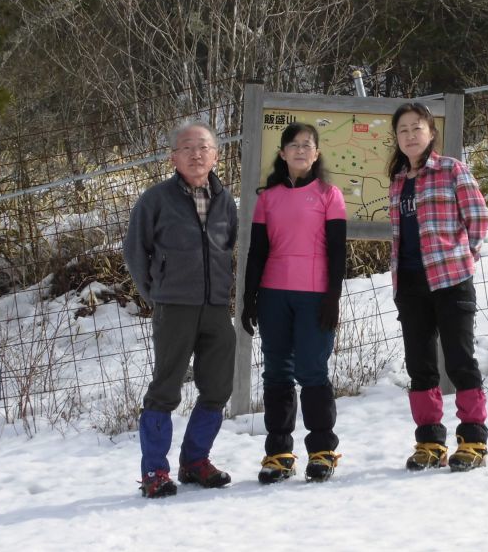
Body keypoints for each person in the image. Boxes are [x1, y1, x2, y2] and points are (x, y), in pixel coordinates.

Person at [124, 121, 239, 498]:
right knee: (165, 389)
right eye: (187, 148)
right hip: (175, 307)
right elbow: (135, 252)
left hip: (217, 307)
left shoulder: (225, 200)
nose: (196, 154)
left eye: (203, 147)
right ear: (173, 157)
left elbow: (230, 246)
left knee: (218, 387)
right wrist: (157, 293)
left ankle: (196, 462)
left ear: (216, 155)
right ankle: (155, 472)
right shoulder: (155, 199)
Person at [387, 101, 488, 472]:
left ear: (431, 133)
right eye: (403, 130)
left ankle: (473, 439)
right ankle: (430, 440)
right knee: (421, 365)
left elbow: (478, 217)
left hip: (451, 281)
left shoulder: (451, 169)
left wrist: (465, 259)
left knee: (461, 360)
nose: (410, 135)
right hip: (411, 285)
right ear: (396, 139)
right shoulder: (398, 181)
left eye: (417, 128)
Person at [241, 122, 347, 484]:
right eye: (294, 145)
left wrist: (333, 297)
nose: (301, 150)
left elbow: (337, 252)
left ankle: (322, 450)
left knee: (313, 371)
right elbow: (257, 252)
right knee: (276, 373)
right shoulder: (267, 198)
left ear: (316, 154)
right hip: (273, 295)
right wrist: (248, 297)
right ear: (282, 153)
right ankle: (279, 453)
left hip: (314, 295)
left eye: (308, 145)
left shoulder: (329, 195)